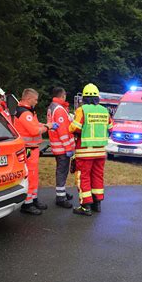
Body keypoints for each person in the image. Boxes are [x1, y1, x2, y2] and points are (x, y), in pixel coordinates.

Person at [69, 83, 113, 216]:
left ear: (84, 98)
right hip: (100, 152)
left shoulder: (82, 110)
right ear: (97, 97)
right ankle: (97, 204)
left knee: (83, 177)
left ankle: (85, 206)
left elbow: (75, 128)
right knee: (97, 176)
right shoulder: (104, 111)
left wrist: (71, 123)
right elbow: (110, 129)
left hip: (84, 151)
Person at [13, 88, 57, 215]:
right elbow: (33, 131)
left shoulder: (28, 111)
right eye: (35, 99)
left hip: (31, 149)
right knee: (30, 176)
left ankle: (33, 199)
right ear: (28, 98)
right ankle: (27, 204)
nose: (37, 102)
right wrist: (48, 126)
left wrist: (46, 124)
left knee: (34, 175)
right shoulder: (25, 113)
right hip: (28, 149)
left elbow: (36, 125)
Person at [46, 87, 75, 208]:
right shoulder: (59, 109)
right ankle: (60, 197)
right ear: (62, 96)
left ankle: (61, 192)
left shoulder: (52, 107)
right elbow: (63, 131)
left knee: (61, 171)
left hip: (57, 145)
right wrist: (68, 148)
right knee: (62, 172)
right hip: (62, 147)